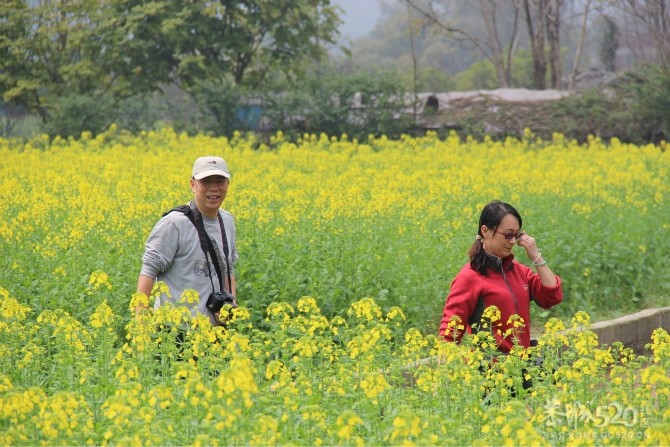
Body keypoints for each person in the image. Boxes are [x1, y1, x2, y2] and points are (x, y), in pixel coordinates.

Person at [439, 201, 562, 354]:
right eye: (507, 234)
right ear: (485, 231)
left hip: (521, 366)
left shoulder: (519, 271)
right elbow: (450, 329)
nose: (512, 241)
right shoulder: (469, 277)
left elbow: (552, 297)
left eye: (516, 235)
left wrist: (536, 257)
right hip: (491, 371)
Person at [137, 156, 238, 327]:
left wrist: (230, 307)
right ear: (192, 184)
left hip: (215, 333)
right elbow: (148, 273)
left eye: (220, 181)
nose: (214, 188)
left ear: (227, 184)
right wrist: (142, 328)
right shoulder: (174, 223)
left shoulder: (227, 221)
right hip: (175, 333)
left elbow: (228, 270)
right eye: (206, 181)